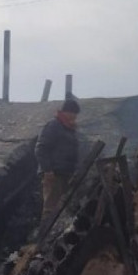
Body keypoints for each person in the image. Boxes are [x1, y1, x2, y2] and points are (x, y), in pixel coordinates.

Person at [35, 98, 80, 230]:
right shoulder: (54, 126)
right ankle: (44, 236)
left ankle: (53, 234)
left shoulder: (69, 129)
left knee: (60, 208)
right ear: (67, 112)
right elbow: (41, 149)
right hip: (54, 174)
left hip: (65, 174)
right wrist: (48, 170)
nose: (75, 118)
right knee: (51, 208)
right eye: (73, 114)